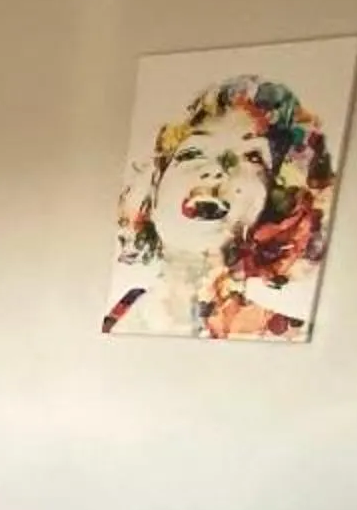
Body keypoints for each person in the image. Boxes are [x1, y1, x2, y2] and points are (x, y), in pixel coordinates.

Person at [104, 74, 338, 339]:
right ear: (153, 188)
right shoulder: (113, 321)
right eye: (192, 153)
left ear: (276, 203)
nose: (217, 169)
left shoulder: (285, 335)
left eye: (251, 157)